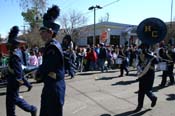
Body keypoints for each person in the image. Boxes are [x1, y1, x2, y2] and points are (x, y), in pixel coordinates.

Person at [35, 5, 65, 116]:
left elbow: (46, 68)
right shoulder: (53, 45)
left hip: (53, 89)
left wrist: (37, 74)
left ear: (50, 32)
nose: (41, 34)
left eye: (43, 31)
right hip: (52, 86)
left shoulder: (52, 47)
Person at [6, 26, 37, 116]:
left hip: (14, 83)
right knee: (9, 101)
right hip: (11, 81)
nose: (7, 46)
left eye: (8, 45)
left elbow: (18, 72)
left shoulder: (15, 55)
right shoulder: (14, 53)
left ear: (12, 46)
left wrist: (18, 82)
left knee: (15, 99)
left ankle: (32, 109)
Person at [133, 43, 158, 112]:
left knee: (144, 90)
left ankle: (152, 98)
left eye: (142, 48)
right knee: (143, 91)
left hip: (147, 75)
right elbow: (139, 64)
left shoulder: (151, 55)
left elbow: (156, 61)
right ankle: (141, 105)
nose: (141, 49)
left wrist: (149, 55)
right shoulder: (143, 55)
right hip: (145, 74)